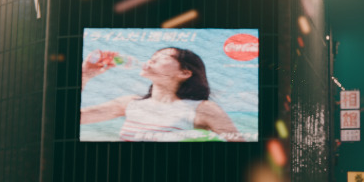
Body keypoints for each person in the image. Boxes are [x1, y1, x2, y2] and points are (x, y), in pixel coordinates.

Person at [80, 46, 244, 141]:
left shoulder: (203, 109)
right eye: (152, 57)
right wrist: (85, 75)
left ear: (184, 73)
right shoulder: (130, 103)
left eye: (163, 57)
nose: (151, 60)